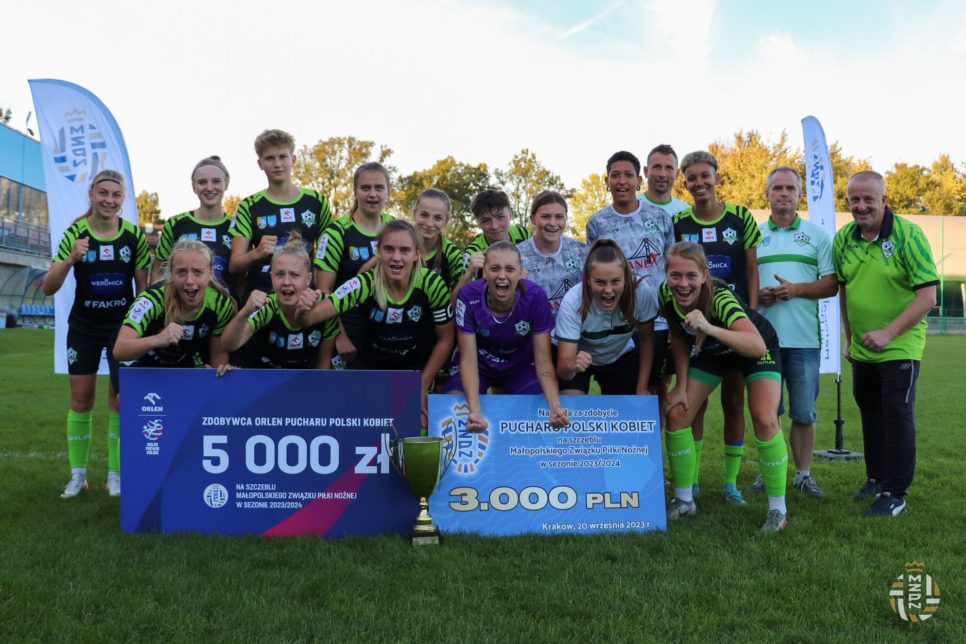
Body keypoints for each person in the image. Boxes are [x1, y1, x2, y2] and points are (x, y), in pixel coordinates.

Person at [661, 241, 788, 532]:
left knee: (765, 418)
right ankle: (684, 500)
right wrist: (681, 384)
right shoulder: (665, 294)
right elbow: (678, 336)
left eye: (691, 275)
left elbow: (756, 345)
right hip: (714, 350)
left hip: (754, 347)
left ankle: (778, 510)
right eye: (675, 275)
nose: (683, 283)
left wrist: (708, 327)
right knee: (677, 413)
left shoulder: (719, 297)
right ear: (666, 274)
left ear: (704, 275)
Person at [833, 171, 938, 517]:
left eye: (869, 199)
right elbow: (845, 290)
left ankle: (895, 493)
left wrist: (888, 333)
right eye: (854, 199)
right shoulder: (844, 238)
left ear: (884, 200)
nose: (861, 206)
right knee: (870, 411)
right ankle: (876, 479)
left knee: (896, 412)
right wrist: (850, 338)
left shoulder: (909, 235)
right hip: (864, 347)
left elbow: (927, 297)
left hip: (900, 344)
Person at [41, 169, 150, 498]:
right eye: (103, 193)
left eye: (116, 195)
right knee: (81, 399)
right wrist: (70, 258)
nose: (109, 200)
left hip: (121, 330)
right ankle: (78, 476)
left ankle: (115, 476)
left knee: (120, 400)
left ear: (122, 199)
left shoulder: (133, 236)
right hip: (84, 327)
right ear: (91, 194)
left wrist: (141, 331)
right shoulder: (76, 233)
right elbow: (48, 287)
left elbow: (143, 290)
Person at [300, 220, 455, 428]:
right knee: (365, 431)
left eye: (404, 250)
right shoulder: (364, 283)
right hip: (370, 368)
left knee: (418, 427)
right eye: (389, 249)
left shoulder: (432, 284)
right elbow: (310, 318)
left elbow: (446, 339)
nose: (396, 257)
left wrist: (422, 385)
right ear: (378, 252)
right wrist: (304, 306)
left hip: (414, 370)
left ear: (416, 254)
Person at [673, 150, 762, 505]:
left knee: (734, 402)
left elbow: (752, 271)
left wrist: (750, 315)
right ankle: (692, 480)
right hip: (695, 328)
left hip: (732, 323)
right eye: (692, 178)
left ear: (717, 178)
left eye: (704, 176)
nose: (699, 183)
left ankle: (730, 483)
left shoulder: (740, 217)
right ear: (685, 183)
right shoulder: (679, 222)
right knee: (695, 405)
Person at [751, 167, 837, 498]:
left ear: (800, 194)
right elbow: (747, 286)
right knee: (766, 413)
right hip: (763, 342)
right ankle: (769, 472)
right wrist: (759, 296)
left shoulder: (817, 236)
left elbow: (831, 284)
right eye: (777, 188)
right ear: (767, 194)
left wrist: (797, 289)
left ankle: (803, 476)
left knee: (803, 413)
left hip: (804, 341)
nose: (784, 193)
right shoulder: (755, 235)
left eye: (790, 188)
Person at [444, 241, 568, 432]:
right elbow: (468, 359)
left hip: (519, 366)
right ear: (484, 272)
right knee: (454, 407)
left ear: (521, 273)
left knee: (537, 411)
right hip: (479, 364)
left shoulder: (535, 297)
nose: (502, 275)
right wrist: (474, 412)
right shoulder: (468, 296)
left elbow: (543, 361)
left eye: (510, 269)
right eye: (495, 268)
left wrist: (555, 407)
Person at [586, 151, 675, 403]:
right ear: (607, 181)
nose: (622, 181)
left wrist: (673, 321)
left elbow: (672, 270)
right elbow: (592, 274)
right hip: (616, 325)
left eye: (628, 175)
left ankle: (656, 432)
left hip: (657, 321)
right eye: (615, 175)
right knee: (618, 396)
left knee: (655, 391)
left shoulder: (659, 217)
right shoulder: (597, 223)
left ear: (638, 180)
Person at [229, 129, 332, 300]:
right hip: (261, 299)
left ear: (293, 159)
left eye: (283, 157)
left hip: (304, 298)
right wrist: (256, 253)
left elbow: (328, 258)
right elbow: (234, 265)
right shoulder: (248, 206)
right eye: (270, 158)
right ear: (260, 163)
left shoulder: (317, 201)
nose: (277, 164)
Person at [313, 162, 394, 367]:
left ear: (388, 191)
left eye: (379, 188)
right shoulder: (336, 233)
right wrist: (339, 336)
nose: (372, 194)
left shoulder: (395, 228)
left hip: (386, 331)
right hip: (348, 331)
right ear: (355, 191)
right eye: (365, 188)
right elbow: (323, 291)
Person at [114, 239, 235, 373]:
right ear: (171, 273)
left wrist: (216, 373)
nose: (189, 281)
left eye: (197, 272)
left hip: (186, 364)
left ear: (211, 272)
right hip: (143, 365)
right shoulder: (151, 300)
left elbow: (218, 355)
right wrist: (158, 339)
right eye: (181, 272)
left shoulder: (220, 303)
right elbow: (120, 350)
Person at [555, 240, 658, 395]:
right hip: (579, 355)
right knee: (570, 404)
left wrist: (642, 387)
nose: (608, 290)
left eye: (616, 281)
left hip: (620, 356)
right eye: (600, 282)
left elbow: (646, 341)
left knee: (629, 407)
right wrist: (572, 366)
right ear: (588, 279)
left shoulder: (641, 291)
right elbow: (563, 371)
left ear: (626, 277)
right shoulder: (573, 301)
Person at [220, 233, 337, 369]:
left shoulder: (324, 307)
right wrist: (244, 312)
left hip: (306, 379)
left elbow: (323, 365)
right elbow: (227, 345)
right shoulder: (267, 307)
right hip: (267, 378)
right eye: (280, 274)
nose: (286, 282)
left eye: (294, 275)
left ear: (308, 279)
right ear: (271, 277)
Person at [151, 156, 234, 289]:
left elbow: (241, 277)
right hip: (182, 302)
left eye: (216, 181)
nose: (209, 188)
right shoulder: (175, 224)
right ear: (194, 187)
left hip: (225, 302)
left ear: (226, 184)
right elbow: (158, 271)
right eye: (202, 182)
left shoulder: (236, 226)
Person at [517, 190, 588, 315]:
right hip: (535, 326)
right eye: (545, 217)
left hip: (576, 325)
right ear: (533, 219)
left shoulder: (582, 251)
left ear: (566, 218)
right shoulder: (516, 256)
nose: (553, 223)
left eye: (559, 217)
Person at [461, 188, 532, 281]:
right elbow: (462, 290)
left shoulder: (522, 233)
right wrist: (469, 274)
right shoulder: (473, 252)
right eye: (486, 220)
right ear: (478, 223)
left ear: (510, 215)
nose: (494, 226)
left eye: (500, 217)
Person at [411, 188, 466, 292]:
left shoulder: (452, 254)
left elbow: (459, 294)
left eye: (438, 218)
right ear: (414, 214)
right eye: (424, 215)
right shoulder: (398, 243)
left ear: (446, 221)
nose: (429, 224)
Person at [639, 144, 690, 216]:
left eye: (669, 168)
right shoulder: (629, 209)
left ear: (677, 174)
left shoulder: (685, 212)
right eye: (657, 167)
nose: (662, 174)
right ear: (646, 171)